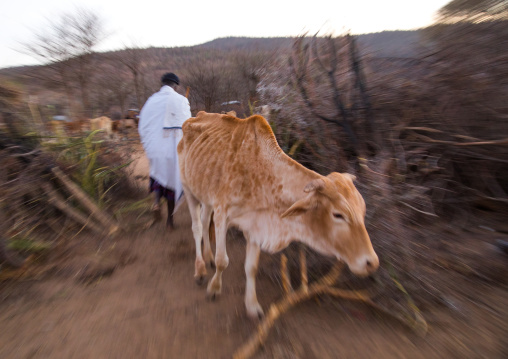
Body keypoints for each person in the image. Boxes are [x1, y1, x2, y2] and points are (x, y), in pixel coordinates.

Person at [138, 72, 191, 230]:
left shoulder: (151, 101)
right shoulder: (181, 101)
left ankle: (155, 203)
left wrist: (152, 146)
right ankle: (169, 221)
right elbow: (188, 126)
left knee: (159, 176)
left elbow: (143, 126)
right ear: (176, 86)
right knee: (172, 183)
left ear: (162, 84)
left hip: (155, 150)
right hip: (173, 151)